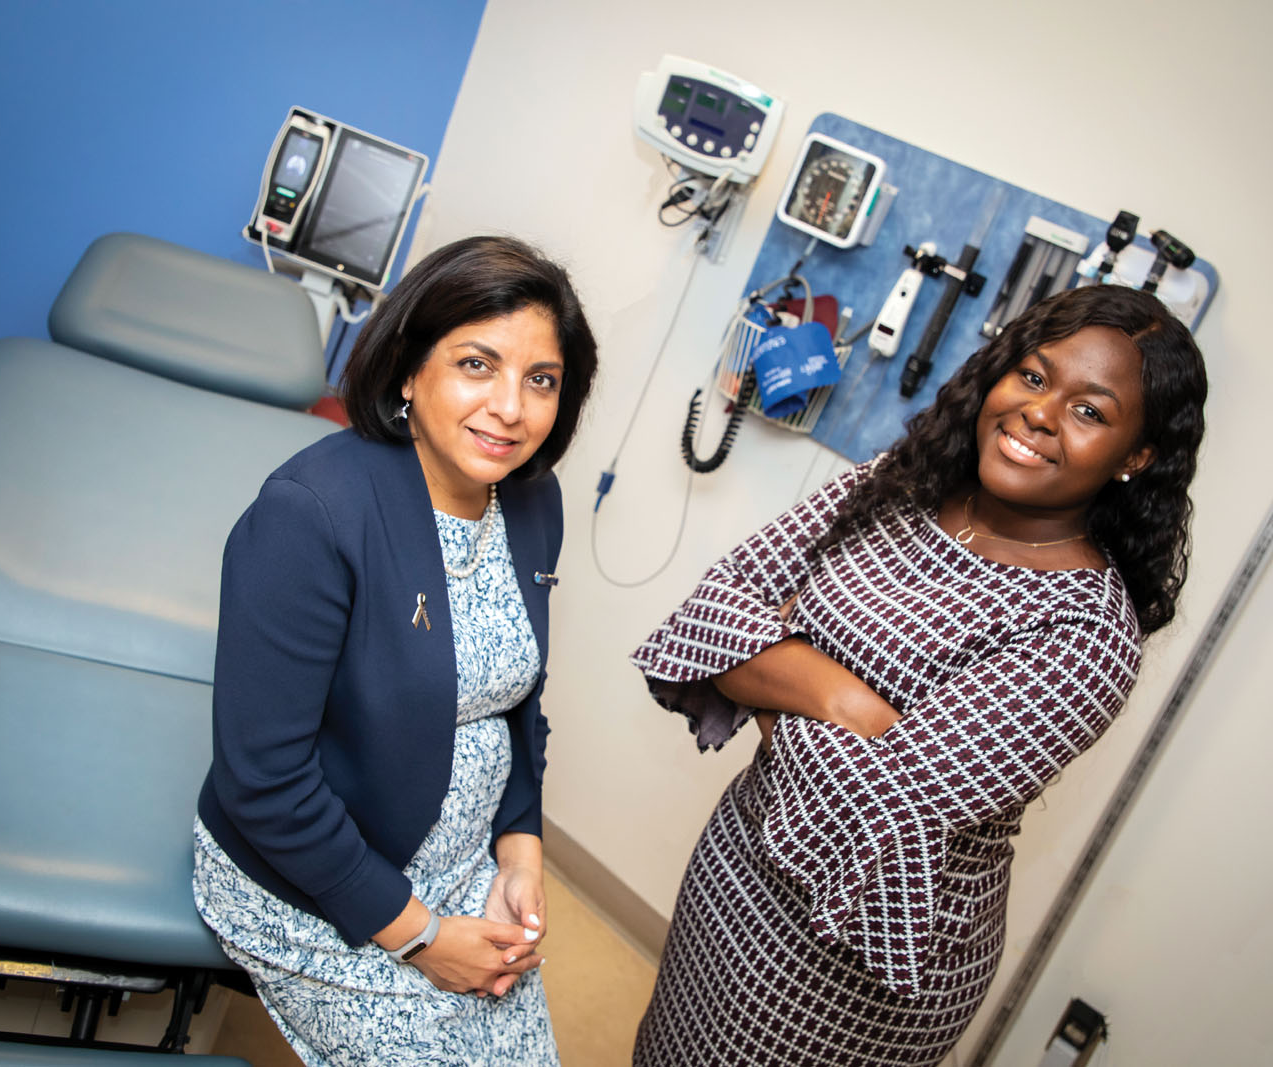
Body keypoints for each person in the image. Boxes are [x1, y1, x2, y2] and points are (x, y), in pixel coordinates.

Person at [629, 283, 1207, 1066]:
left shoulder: (1087, 633)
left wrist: (768, 666)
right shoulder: (904, 482)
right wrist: (841, 697)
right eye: (1034, 378)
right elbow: (722, 599)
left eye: (1090, 410)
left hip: (859, 973)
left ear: (1137, 456)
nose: (1041, 413)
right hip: (735, 875)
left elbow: (875, 800)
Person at [192, 236, 597, 1066]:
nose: (511, 408)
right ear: (410, 369)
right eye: (477, 364)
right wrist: (420, 936)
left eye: (541, 379)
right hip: (316, 881)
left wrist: (520, 847)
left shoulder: (531, 500)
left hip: (460, 860)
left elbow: (519, 701)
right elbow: (263, 782)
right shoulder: (310, 515)